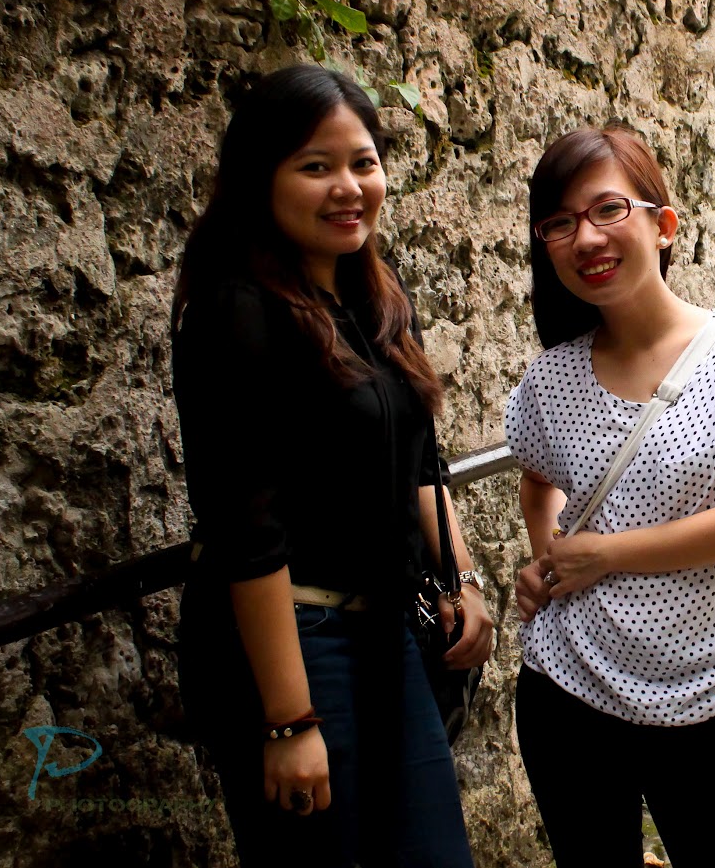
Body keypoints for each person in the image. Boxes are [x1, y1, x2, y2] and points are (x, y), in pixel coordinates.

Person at [169, 64, 493, 868]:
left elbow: (422, 461)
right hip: (295, 643)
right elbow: (246, 529)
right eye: (316, 166)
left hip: (387, 632)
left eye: (363, 163)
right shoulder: (237, 310)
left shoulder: (376, 295)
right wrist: (288, 720)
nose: (348, 187)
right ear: (261, 179)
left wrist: (462, 578)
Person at [503, 126, 715, 867]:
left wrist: (602, 554)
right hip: (567, 688)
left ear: (663, 225)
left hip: (709, 693)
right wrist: (551, 559)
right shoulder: (553, 377)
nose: (586, 237)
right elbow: (536, 477)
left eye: (608, 210)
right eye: (560, 223)